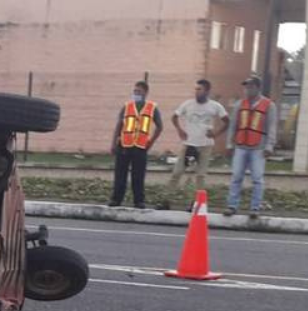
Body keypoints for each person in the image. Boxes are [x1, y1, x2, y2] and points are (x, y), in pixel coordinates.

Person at [165, 79, 229, 209]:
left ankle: (196, 204)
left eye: (199, 89)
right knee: (177, 172)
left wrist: (216, 134)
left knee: (200, 176)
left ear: (207, 91)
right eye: (195, 89)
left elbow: (227, 121)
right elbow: (174, 117)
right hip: (189, 144)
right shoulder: (188, 104)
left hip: (205, 145)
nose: (196, 92)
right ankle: (166, 200)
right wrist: (180, 130)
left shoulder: (215, 106)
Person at [225, 75, 278, 217]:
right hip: (241, 145)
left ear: (258, 88)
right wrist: (229, 144)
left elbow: (272, 126)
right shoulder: (239, 104)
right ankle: (232, 206)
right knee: (236, 176)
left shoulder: (269, 105)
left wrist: (269, 146)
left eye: (250, 87)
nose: (247, 90)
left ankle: (255, 208)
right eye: (246, 87)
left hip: (258, 147)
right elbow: (233, 125)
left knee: (257, 179)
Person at [109, 81, 163, 209]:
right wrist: (113, 143)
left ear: (145, 92)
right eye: (135, 91)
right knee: (120, 175)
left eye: (138, 91)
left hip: (140, 146)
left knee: (138, 176)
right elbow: (119, 124)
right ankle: (116, 199)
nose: (136, 94)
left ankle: (139, 201)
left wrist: (151, 142)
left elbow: (160, 127)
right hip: (124, 145)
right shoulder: (127, 106)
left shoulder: (152, 107)